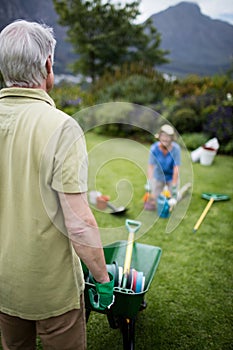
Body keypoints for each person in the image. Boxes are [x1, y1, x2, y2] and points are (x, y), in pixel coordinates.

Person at [0, 20, 114, 350]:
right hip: (52, 290)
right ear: (47, 65)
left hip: (4, 284)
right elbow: (79, 223)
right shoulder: (61, 127)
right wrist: (103, 279)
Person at [147, 124, 181, 207]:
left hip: (171, 177)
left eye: (168, 136)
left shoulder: (176, 149)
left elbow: (176, 168)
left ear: (172, 138)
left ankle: (177, 193)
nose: (165, 138)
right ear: (159, 137)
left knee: (173, 200)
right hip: (158, 176)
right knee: (155, 199)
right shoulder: (154, 148)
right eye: (163, 135)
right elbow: (151, 167)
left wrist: (173, 186)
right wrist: (150, 182)